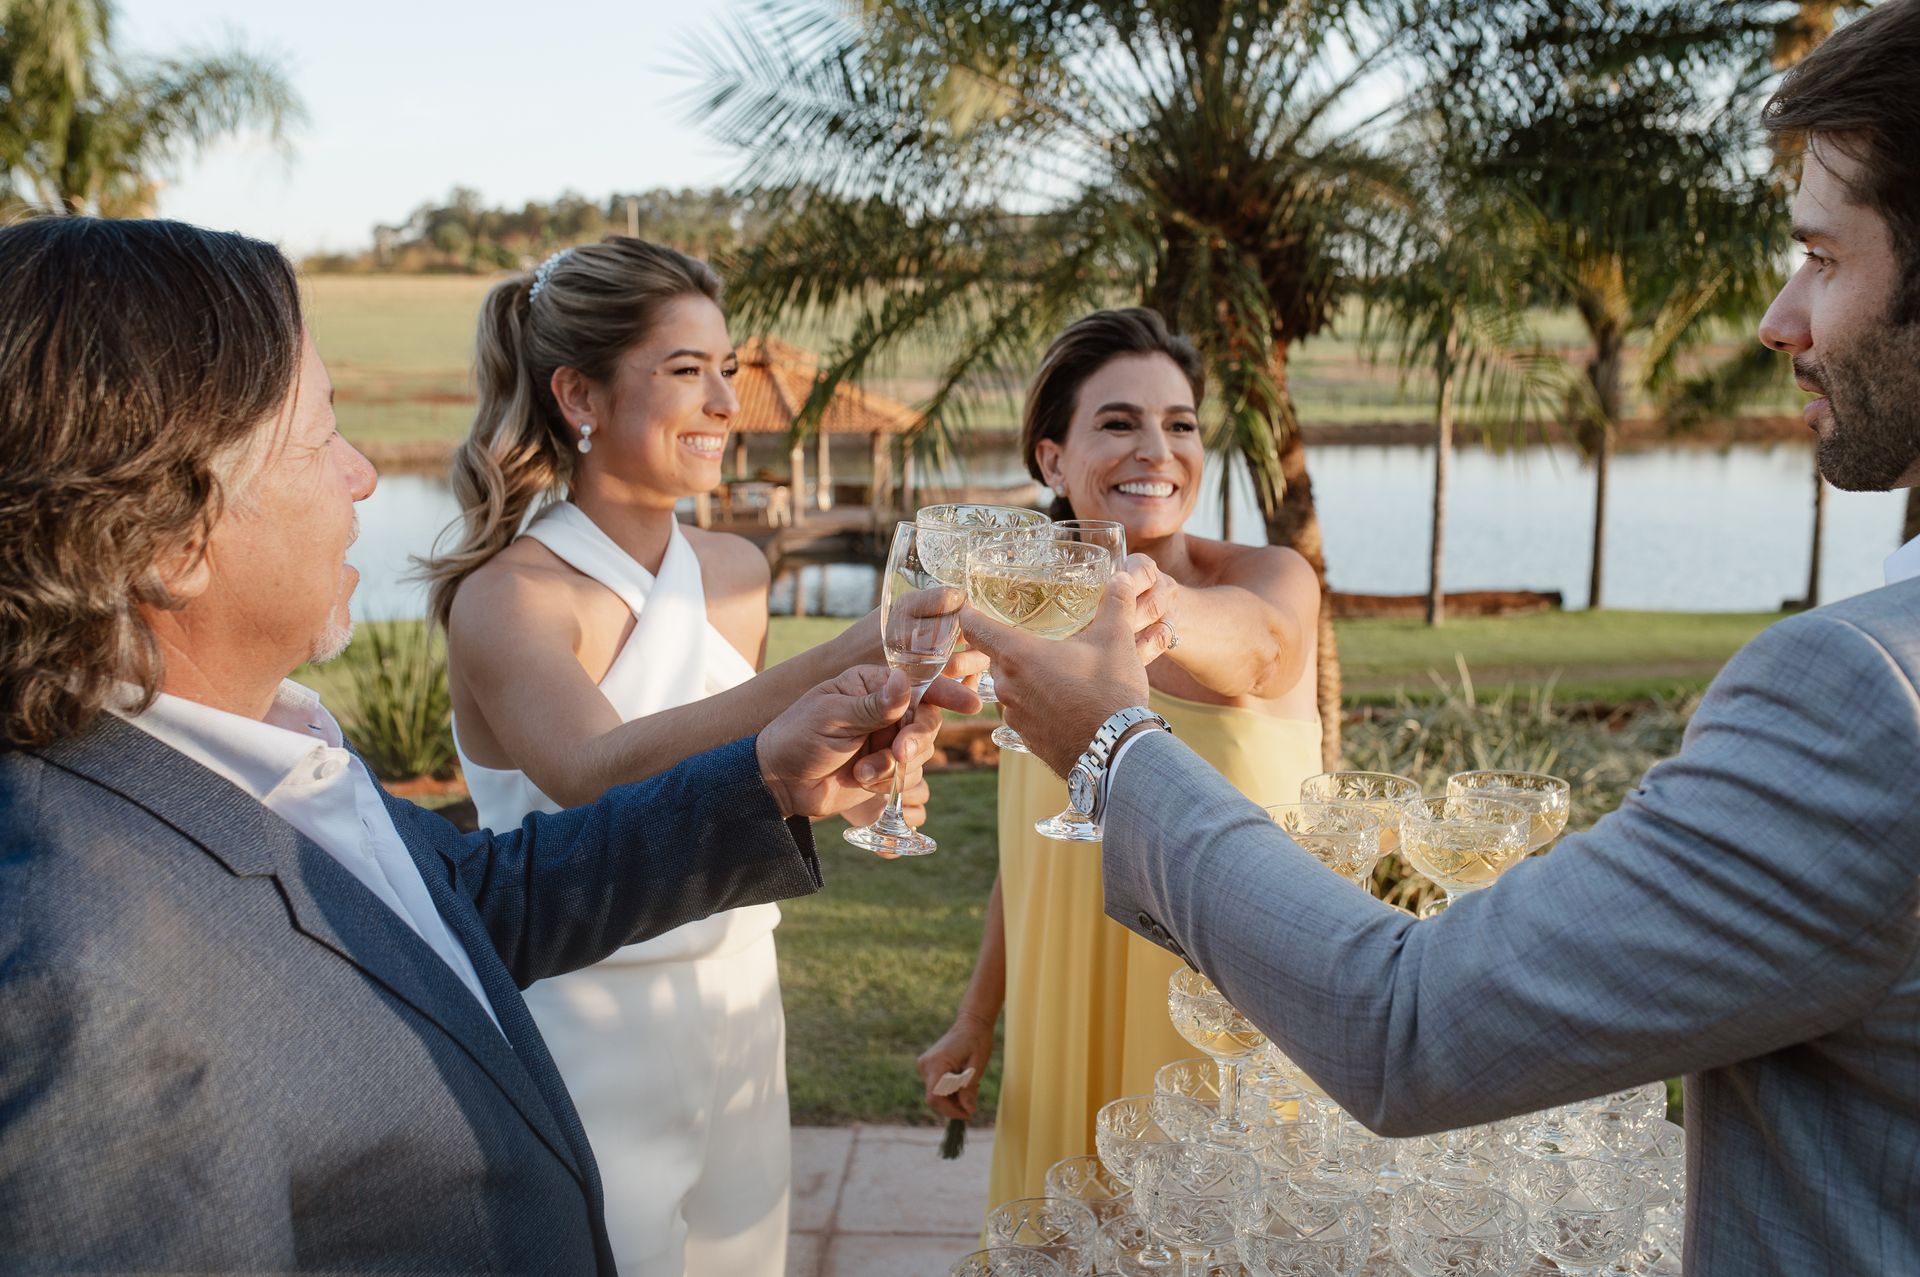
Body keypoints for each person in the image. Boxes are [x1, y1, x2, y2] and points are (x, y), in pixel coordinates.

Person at [966, 4, 1920, 1272]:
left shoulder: (1864, 692)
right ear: (1052, 454)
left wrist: (1111, 743)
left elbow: (1411, 1023)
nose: (1778, 318)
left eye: (1822, 256)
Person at [0, 217, 971, 1272]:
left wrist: (775, 777)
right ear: (172, 536)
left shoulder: (271, 757)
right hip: (598, 1043)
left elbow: (476, 896)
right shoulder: (77, 974)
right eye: (323, 438)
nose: (366, 476)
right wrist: (845, 655)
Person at [419, 237, 918, 1276]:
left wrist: (864, 772)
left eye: (726, 369)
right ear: (579, 394)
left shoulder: (738, 571)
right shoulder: (510, 596)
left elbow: (751, 781)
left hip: (742, 1002)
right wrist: (848, 652)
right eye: (688, 370)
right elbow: (595, 771)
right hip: (581, 1021)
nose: (727, 403)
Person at [914, 308, 1323, 1207]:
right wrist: (977, 1016)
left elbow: (1265, 648)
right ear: (1052, 459)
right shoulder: (1023, 617)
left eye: (1180, 424)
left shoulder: (1270, 578)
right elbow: (1031, 844)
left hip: (1215, 1028)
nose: (1157, 450)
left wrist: (1132, 590)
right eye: (1119, 422)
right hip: (1064, 1017)